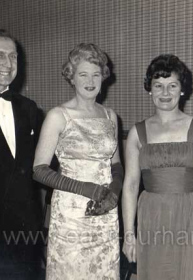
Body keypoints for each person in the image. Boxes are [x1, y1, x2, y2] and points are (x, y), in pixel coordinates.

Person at [122, 54, 193, 279]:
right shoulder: (137, 132)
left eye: (172, 85)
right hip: (151, 218)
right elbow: (131, 185)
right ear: (150, 90)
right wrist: (129, 234)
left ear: (182, 89)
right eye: (158, 86)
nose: (165, 93)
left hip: (191, 218)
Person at [33, 43, 123, 279]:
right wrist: (85, 188)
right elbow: (39, 170)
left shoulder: (110, 116)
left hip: (105, 211)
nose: (90, 80)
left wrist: (113, 192)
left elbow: (116, 165)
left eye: (96, 74)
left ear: (103, 77)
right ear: (71, 77)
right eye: (83, 74)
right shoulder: (58, 116)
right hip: (72, 215)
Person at [0, 30, 44, 279]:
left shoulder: (29, 108)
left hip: (24, 231)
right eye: (0, 56)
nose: (8, 64)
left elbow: (43, 164)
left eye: (13, 57)